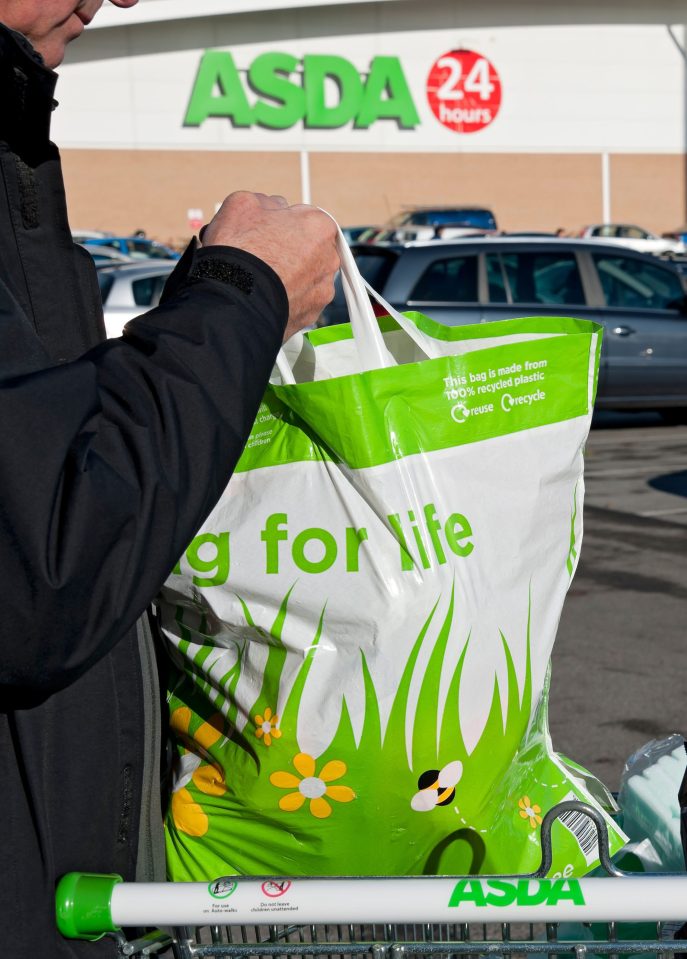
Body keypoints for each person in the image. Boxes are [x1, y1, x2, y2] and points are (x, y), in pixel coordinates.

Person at [0, 2, 339, 956]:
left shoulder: (18, 136)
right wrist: (238, 298)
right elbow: (46, 564)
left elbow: (51, 453)